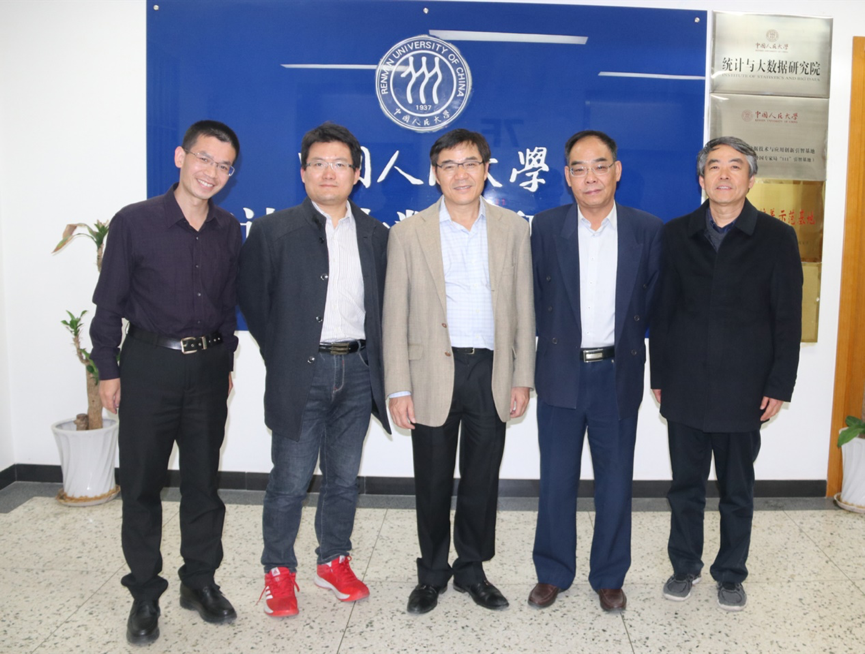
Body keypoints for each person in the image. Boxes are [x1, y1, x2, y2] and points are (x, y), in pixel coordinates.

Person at [90, 120, 242, 645]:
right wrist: (108, 370)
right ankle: (145, 594)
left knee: (203, 485)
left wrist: (225, 363)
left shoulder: (228, 228)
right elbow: (108, 305)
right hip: (148, 367)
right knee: (141, 485)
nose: (212, 172)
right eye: (204, 159)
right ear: (181, 157)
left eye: (224, 166)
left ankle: (199, 582)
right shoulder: (135, 222)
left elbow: (226, 305)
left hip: (207, 371)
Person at [238, 123, 390, 618]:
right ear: (303, 171)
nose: (329, 172)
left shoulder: (376, 234)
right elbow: (254, 302)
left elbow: (382, 306)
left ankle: (333, 560)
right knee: (290, 479)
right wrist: (286, 353)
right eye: (318, 163)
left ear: (357, 174)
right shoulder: (272, 231)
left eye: (340, 164)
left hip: (358, 371)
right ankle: (278, 569)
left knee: (344, 478)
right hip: (301, 372)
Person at [383, 128, 535, 615]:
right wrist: (398, 387)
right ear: (435, 174)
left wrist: (522, 377)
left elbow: (524, 307)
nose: (460, 174)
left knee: (481, 479)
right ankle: (431, 573)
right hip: (431, 370)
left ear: (486, 170)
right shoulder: (408, 233)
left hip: (491, 369)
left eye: (470, 163)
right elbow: (393, 315)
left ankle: (472, 568)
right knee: (431, 479)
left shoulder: (513, 228)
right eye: (449, 165)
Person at [650, 136, 803, 611]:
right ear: (701, 179)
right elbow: (663, 311)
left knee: (737, 491)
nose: (723, 174)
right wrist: (660, 376)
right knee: (685, 488)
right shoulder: (677, 233)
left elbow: (787, 318)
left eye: (735, 166)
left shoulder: (776, 237)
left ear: (750, 179)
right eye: (714, 166)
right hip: (685, 383)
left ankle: (731, 573)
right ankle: (684, 566)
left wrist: (779, 384)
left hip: (745, 388)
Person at [528, 130, 663, 613]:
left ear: (616, 171)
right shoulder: (546, 227)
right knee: (556, 479)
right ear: (567, 176)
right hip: (561, 371)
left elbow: (657, 307)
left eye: (600, 166)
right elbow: (532, 301)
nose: (591, 177)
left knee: (615, 481)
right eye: (579, 168)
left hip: (616, 373)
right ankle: (552, 572)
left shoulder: (646, 229)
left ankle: (609, 575)